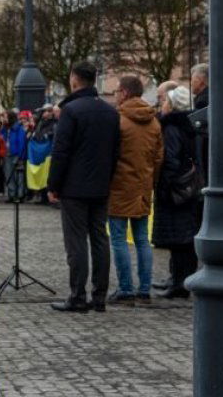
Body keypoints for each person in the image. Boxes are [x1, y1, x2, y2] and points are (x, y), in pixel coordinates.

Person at [47, 62, 121, 313]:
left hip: (74, 188)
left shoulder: (71, 111)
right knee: (100, 239)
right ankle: (99, 297)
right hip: (100, 186)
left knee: (76, 242)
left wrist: (53, 184)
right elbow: (115, 151)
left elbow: (61, 152)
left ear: (74, 80)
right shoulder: (110, 112)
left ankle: (77, 296)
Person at [107, 76, 163, 304]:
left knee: (119, 239)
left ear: (125, 93)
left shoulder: (118, 121)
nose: (116, 96)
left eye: (117, 91)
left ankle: (126, 288)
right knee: (142, 239)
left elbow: (110, 155)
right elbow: (159, 158)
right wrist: (150, 180)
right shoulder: (154, 122)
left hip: (119, 187)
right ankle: (145, 288)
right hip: (143, 186)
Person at [152, 85, 201, 299]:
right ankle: (179, 279)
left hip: (176, 190)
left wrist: (165, 185)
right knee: (185, 238)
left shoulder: (171, 128)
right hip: (188, 187)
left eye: (165, 101)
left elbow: (170, 159)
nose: (162, 105)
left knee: (179, 239)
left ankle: (179, 283)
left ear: (172, 105)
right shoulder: (191, 125)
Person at [1, 110, 27, 202]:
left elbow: (21, 143)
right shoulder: (5, 128)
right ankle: (11, 195)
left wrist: (20, 157)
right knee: (9, 175)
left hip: (16, 155)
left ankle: (19, 195)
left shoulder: (18, 129)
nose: (4, 119)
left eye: (5, 117)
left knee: (18, 176)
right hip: (7, 154)